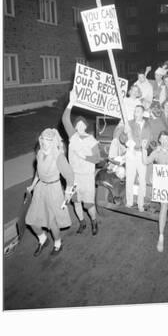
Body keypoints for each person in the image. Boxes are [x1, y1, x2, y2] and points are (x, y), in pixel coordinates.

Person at [25, 128, 75, 256]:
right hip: (40, 188)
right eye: (42, 138)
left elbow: (69, 176)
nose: (43, 142)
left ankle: (58, 243)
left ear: (53, 141)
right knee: (31, 219)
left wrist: (68, 192)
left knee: (52, 222)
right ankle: (43, 239)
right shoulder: (40, 153)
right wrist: (32, 185)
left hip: (54, 189)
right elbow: (38, 171)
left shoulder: (59, 157)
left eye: (47, 140)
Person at [62, 91, 101, 235]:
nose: (79, 127)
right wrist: (71, 102)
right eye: (76, 124)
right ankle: (82, 222)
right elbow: (65, 119)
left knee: (88, 204)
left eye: (81, 124)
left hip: (86, 176)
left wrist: (83, 156)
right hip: (74, 176)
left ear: (85, 126)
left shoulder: (91, 140)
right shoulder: (72, 137)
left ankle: (94, 221)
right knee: (76, 201)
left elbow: (97, 159)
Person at [117, 105, 152, 211]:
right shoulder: (129, 123)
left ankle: (141, 204)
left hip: (142, 153)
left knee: (142, 180)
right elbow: (122, 140)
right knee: (130, 178)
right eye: (135, 111)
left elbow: (150, 138)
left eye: (138, 111)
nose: (136, 113)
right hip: (131, 153)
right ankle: (129, 202)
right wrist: (124, 132)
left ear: (143, 113)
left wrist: (146, 144)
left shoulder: (147, 125)